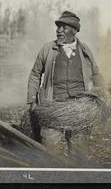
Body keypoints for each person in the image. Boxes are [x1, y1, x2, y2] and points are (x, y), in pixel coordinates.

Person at [27, 11, 104, 161]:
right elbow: (35, 74)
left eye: (64, 27)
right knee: (50, 152)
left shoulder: (85, 50)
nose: (59, 30)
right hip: (52, 108)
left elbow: (96, 74)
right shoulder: (47, 49)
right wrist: (32, 100)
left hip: (80, 110)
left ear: (74, 30)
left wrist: (102, 97)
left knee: (79, 154)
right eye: (58, 27)